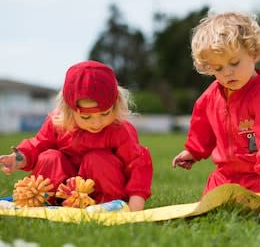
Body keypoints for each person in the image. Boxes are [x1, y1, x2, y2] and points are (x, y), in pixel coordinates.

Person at [0, 60, 153, 211]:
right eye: (86, 117)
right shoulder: (59, 124)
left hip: (103, 194)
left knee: (98, 159)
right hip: (64, 192)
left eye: (105, 113)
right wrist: (19, 158)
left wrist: (136, 202)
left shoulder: (119, 130)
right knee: (50, 157)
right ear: (68, 110)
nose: (97, 123)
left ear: (117, 103)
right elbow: (38, 145)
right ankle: (48, 200)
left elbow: (138, 164)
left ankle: (108, 204)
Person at [171, 11, 260, 198]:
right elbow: (202, 124)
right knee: (213, 203)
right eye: (218, 68)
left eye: (234, 63)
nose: (227, 73)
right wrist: (193, 151)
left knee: (259, 205)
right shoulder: (211, 95)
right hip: (225, 175)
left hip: (259, 175)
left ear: (252, 53)